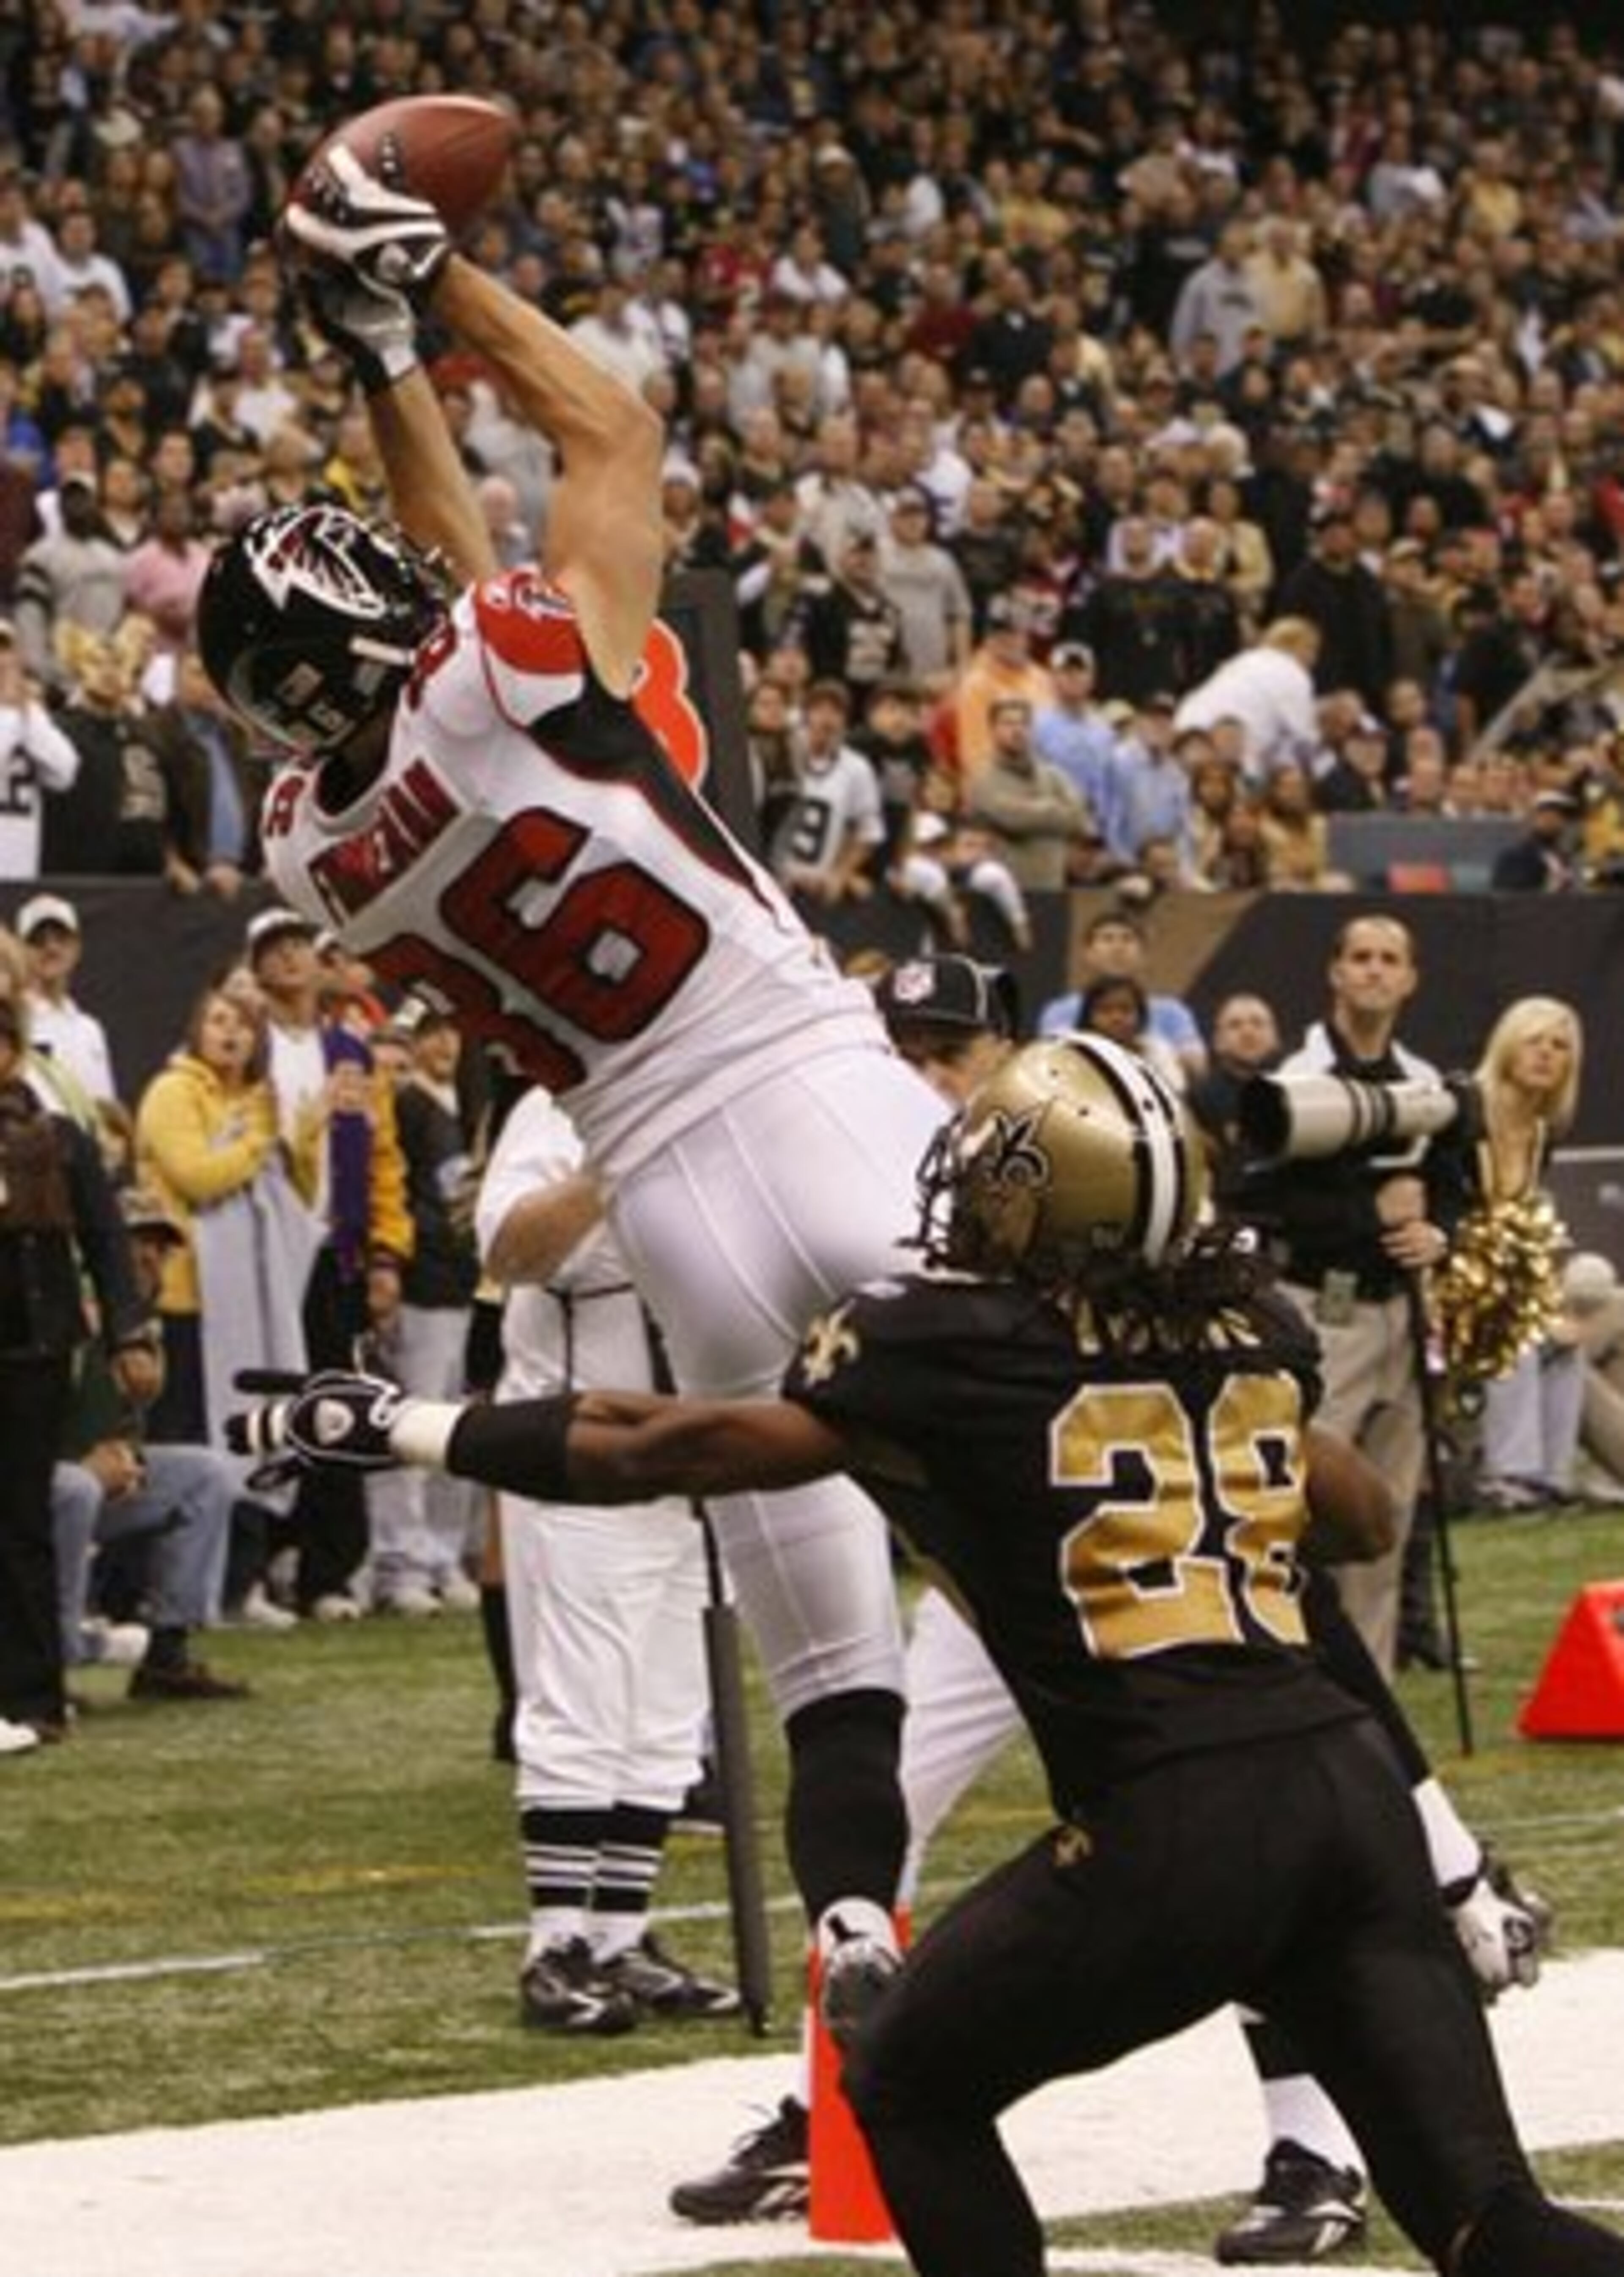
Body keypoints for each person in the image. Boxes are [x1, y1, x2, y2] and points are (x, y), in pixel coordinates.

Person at [232, 1033, 1623, 2277]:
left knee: (905, 2085)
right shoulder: (1243, 1323)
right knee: (1489, 2217)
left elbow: (672, 1444)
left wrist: (408, 1425)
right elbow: (1365, 1513)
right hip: (1346, 1793)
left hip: (1175, 1813)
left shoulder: (945, 1338)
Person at [197, 140, 945, 2019]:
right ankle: (1417, 1856)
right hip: (814, 1089)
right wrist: (423, 279)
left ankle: (857, 1934)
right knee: (1121, 1443)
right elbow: (607, 437)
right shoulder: (509, 666)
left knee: (825, 1654)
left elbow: (438, 622)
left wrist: (378, 373)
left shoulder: (310, 844)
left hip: (668, 1204)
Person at [476, 1081, 735, 2034]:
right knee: (581, 1700)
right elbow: (508, 1249)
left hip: (697, 1439)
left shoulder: (727, 1108)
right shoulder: (557, 1111)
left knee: (666, 1712)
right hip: (580, 1439)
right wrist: (613, 1170)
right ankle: (554, 1944)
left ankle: (622, 1934)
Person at [1237, 915, 1468, 1677]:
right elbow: (1250, 1198)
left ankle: (1371, 1687)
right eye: (1360, 957)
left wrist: (1439, 1232)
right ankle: (1291, 1670)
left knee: (1387, 1514)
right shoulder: (1290, 1078)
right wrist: (1364, 1215)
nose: (1373, 970)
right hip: (1321, 1311)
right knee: (1300, 1497)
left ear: (1410, 979)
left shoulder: (1424, 1081)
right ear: (1335, 973)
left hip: (1402, 1312)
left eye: (1389, 959)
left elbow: (1452, 1189)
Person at [0, 957, 155, 1745]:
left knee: (24, 1520)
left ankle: (33, 1696)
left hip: (33, 1350)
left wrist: (129, 1332)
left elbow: (105, 1238)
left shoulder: (57, 1136)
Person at [52, 1188, 250, 1703]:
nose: (149, 1257)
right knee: (74, 1487)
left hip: (84, 1488)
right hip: (31, 1485)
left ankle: (168, 1654)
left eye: (161, 1247)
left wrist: (128, 1460)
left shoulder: (139, 1327)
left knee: (203, 1475)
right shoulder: (59, 1312)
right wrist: (84, 1465)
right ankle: (46, 1669)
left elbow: (118, 1428)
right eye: (135, 1242)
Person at [1439, 998, 1584, 1512]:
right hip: (1445, 1281)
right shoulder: (1464, 1108)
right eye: (1535, 1041)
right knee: (1517, 1337)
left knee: (1567, 1341)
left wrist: (1550, 1305)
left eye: (1559, 1046)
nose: (1546, 1054)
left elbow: (1526, 1236)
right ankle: (1511, 1477)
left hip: (1498, 1284)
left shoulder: (1542, 1133)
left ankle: (1552, 1476)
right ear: (1507, 1045)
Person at [365, 1000, 481, 1615]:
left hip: (467, 1284)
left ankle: (443, 1552)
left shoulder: (469, 1099)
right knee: (411, 1426)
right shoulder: (407, 1103)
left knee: (457, 1428)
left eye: (449, 1030)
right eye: (429, 1033)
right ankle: (400, 1561)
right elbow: (406, 1195)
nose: (442, 1044)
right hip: (423, 1283)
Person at [16, 891, 118, 1105]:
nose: (51, 948)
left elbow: (105, 1109)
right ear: (20, 952)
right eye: (38, 940)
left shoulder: (90, 1030)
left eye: (61, 938)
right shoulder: (12, 1025)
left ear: (76, 949)